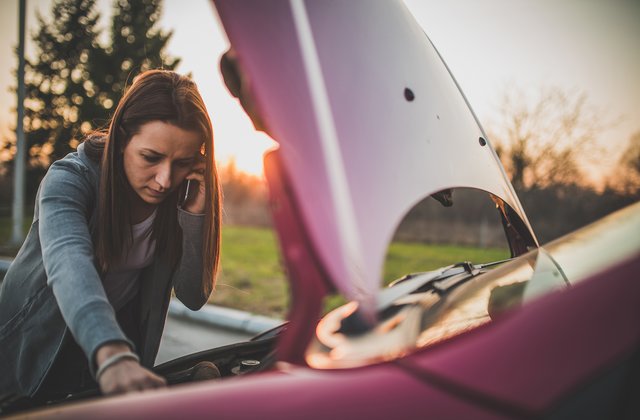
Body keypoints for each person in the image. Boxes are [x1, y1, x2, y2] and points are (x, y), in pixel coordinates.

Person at [0, 70, 221, 400]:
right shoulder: (69, 180)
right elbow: (69, 264)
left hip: (103, 368)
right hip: (31, 356)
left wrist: (194, 213)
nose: (164, 180)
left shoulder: (178, 197)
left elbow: (192, 295)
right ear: (121, 138)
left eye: (182, 162)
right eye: (151, 157)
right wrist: (112, 352)